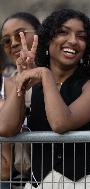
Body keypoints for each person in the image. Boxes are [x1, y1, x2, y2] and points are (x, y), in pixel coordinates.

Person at [0, 9, 90, 189]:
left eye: (81, 36)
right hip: (37, 183)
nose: (73, 41)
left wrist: (45, 74)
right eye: (62, 32)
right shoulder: (31, 81)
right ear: (48, 39)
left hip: (83, 183)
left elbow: (60, 123)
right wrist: (23, 77)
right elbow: (5, 128)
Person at [0, 12, 41, 188]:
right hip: (12, 180)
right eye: (6, 40)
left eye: (20, 34)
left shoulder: (58, 78)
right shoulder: (3, 85)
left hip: (51, 176)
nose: (15, 43)